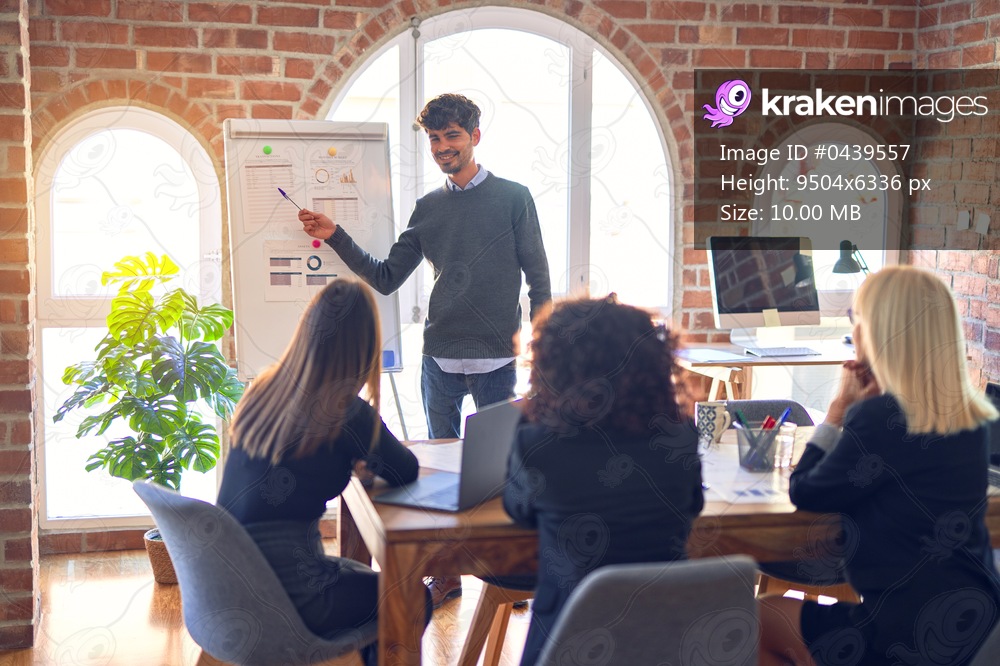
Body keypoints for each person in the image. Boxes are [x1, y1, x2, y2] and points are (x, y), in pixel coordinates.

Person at [299, 93, 551, 606]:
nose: (442, 147)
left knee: (501, 473)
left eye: (452, 136)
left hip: (497, 360)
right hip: (438, 358)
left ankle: (508, 572)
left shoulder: (514, 197)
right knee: (443, 479)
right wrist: (336, 236)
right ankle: (449, 573)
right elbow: (388, 277)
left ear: (475, 136)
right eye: (435, 139)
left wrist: (544, 348)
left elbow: (539, 278)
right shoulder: (428, 208)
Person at [759, 266, 1000, 666]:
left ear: (877, 332)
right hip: (978, 624)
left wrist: (836, 414)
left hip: (903, 635)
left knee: (760, 615)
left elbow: (806, 491)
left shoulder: (880, 417)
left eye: (857, 320)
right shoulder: (974, 417)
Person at [217, 278, 431, 666]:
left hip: (230, 586)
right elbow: (406, 470)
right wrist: (364, 460)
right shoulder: (346, 413)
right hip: (291, 597)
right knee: (414, 597)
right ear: (362, 347)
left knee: (361, 580)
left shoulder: (263, 389)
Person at [502, 295, 705, 666]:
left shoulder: (538, 446)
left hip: (564, 645)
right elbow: (694, 506)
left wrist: (531, 412)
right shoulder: (680, 438)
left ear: (553, 365)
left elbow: (518, 510)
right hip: (665, 646)